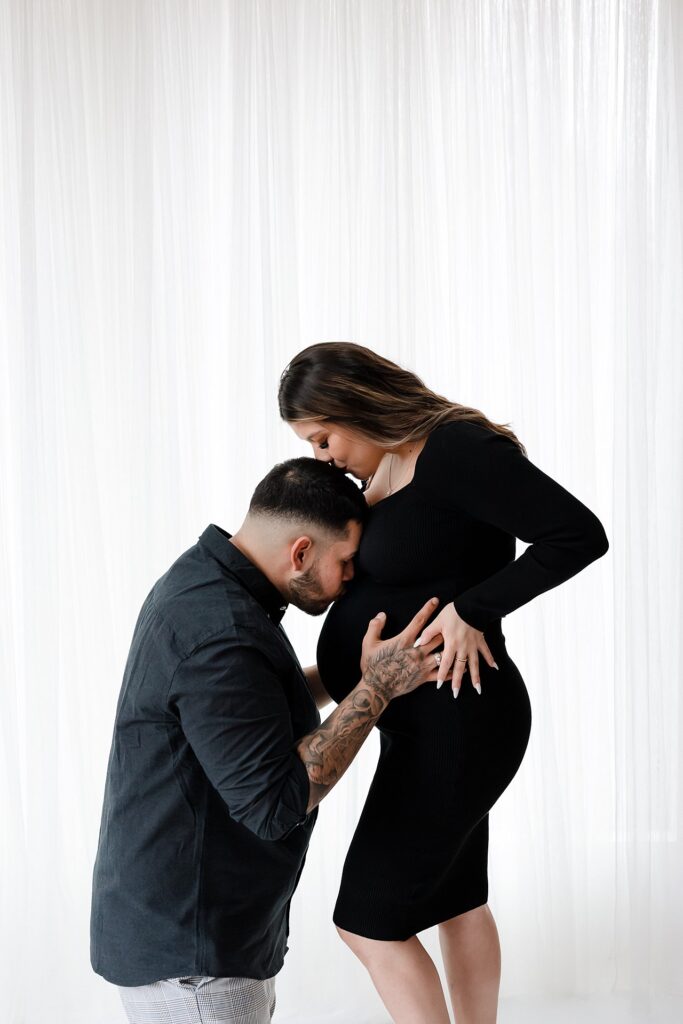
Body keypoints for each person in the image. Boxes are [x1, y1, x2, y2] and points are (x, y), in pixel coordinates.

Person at [279, 341, 610, 1024]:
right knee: (456, 898)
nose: (322, 455)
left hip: (462, 720)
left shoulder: (455, 451)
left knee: (366, 921)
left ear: (355, 405)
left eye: (322, 436)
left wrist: (475, 608)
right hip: (418, 723)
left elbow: (577, 534)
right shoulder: (386, 473)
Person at [89, 456, 451, 1024]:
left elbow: (248, 707)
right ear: (301, 552)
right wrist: (377, 689)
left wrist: (359, 680)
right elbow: (274, 802)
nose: (352, 577)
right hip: (195, 965)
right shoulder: (222, 631)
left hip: (187, 941)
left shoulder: (203, 585)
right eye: (346, 561)